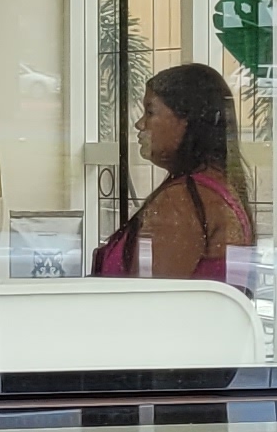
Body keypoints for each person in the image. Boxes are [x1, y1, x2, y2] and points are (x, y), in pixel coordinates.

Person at [92, 62, 256, 284]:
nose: (140, 124)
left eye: (150, 112)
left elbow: (153, 299)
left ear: (185, 121)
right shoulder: (217, 188)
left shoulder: (182, 201)